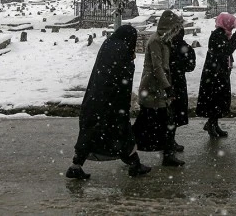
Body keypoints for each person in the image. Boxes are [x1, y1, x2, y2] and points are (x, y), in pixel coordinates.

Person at [66, 25, 151, 179]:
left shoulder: (109, 44)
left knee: (91, 132)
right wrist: (124, 101)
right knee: (122, 131)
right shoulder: (123, 49)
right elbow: (123, 77)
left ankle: (75, 166)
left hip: (96, 97)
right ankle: (134, 164)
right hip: (112, 100)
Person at [133, 10, 186, 167]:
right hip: (152, 89)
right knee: (154, 122)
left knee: (162, 122)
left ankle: (165, 154)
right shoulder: (156, 41)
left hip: (158, 89)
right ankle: (127, 149)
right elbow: (157, 68)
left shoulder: (163, 40)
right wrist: (168, 87)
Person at [196, 12, 236, 138]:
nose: (233, 27)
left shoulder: (223, 34)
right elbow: (228, 49)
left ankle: (213, 124)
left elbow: (228, 50)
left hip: (219, 72)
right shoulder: (217, 35)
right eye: (232, 25)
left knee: (218, 100)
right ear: (226, 23)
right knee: (215, 100)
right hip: (214, 74)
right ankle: (211, 124)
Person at [168, 27, 197, 151]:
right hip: (178, 82)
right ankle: (169, 141)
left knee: (168, 112)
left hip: (167, 81)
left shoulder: (167, 47)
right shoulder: (186, 48)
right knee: (175, 112)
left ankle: (168, 140)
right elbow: (191, 66)